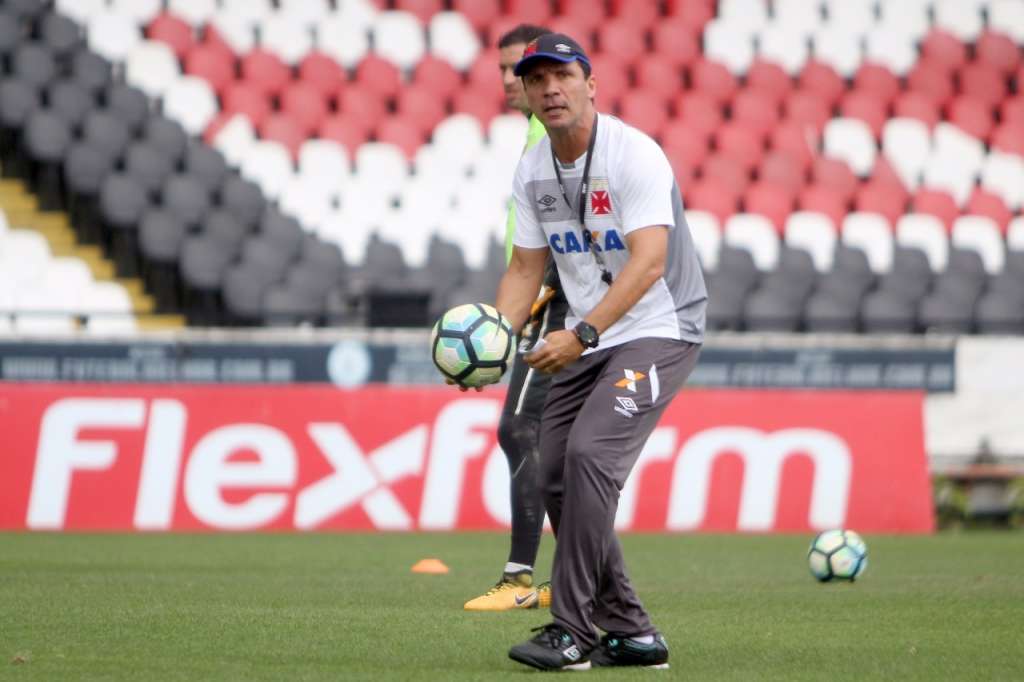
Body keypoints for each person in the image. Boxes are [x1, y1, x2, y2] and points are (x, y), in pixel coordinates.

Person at [492, 33, 707, 670]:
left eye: (562, 76)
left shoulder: (633, 153)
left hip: (659, 328)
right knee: (552, 466)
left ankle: (573, 630)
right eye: (537, 81)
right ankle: (632, 632)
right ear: (526, 96)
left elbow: (648, 264)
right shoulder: (532, 169)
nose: (550, 89)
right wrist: (494, 341)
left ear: (592, 84)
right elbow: (526, 268)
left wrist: (581, 334)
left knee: (589, 455)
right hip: (594, 335)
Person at [462, 24, 571, 613]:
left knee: (520, 430)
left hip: (556, 301)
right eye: (506, 69)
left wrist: (537, 298)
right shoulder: (536, 137)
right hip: (540, 297)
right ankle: (573, 576)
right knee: (554, 443)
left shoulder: (548, 138)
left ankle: (520, 578)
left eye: (519, 70)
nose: (508, 81)